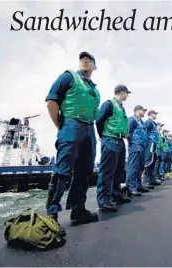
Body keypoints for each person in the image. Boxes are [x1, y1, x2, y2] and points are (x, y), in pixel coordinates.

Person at [45, 51, 100, 232]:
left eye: (89, 59)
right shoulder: (68, 77)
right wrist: (61, 126)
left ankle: (78, 210)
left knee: (84, 171)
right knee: (62, 171)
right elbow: (52, 100)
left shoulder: (94, 90)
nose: (85, 60)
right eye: (82, 58)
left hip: (88, 128)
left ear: (94, 66)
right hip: (71, 125)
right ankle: (51, 216)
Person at [96, 84, 132, 212]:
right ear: (122, 93)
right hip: (110, 139)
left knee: (119, 170)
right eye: (127, 93)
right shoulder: (109, 104)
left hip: (120, 140)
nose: (127, 95)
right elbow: (99, 121)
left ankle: (116, 195)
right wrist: (103, 136)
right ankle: (103, 200)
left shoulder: (121, 107)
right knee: (107, 172)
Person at [125, 105, 150, 196]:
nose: (144, 112)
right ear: (137, 110)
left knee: (140, 167)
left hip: (142, 147)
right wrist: (133, 143)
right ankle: (131, 187)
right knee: (133, 167)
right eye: (143, 110)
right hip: (135, 147)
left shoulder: (141, 122)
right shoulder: (132, 120)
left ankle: (139, 185)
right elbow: (127, 132)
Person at [143, 110, 163, 188]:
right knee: (148, 162)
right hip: (150, 144)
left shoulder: (153, 124)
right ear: (151, 114)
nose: (156, 115)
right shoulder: (148, 122)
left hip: (154, 145)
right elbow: (144, 132)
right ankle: (146, 181)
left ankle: (151, 180)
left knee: (153, 162)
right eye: (155, 113)